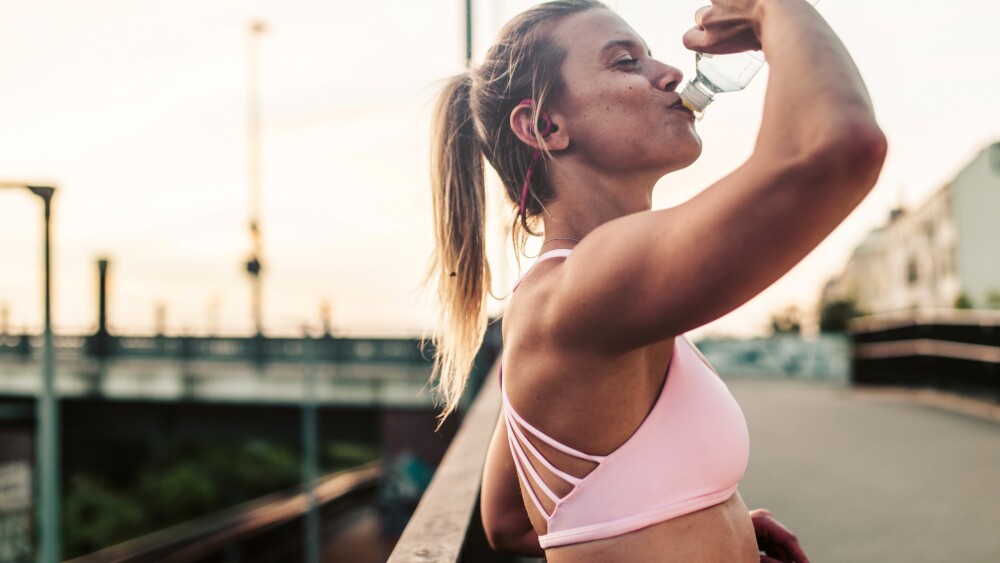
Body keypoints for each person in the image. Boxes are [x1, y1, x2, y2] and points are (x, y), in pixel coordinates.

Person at [427, 0, 885, 560]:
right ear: (545, 125)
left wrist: (717, 524)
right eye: (625, 62)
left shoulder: (579, 295)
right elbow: (838, 146)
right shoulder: (589, 288)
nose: (670, 71)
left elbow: (509, 522)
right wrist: (772, 8)